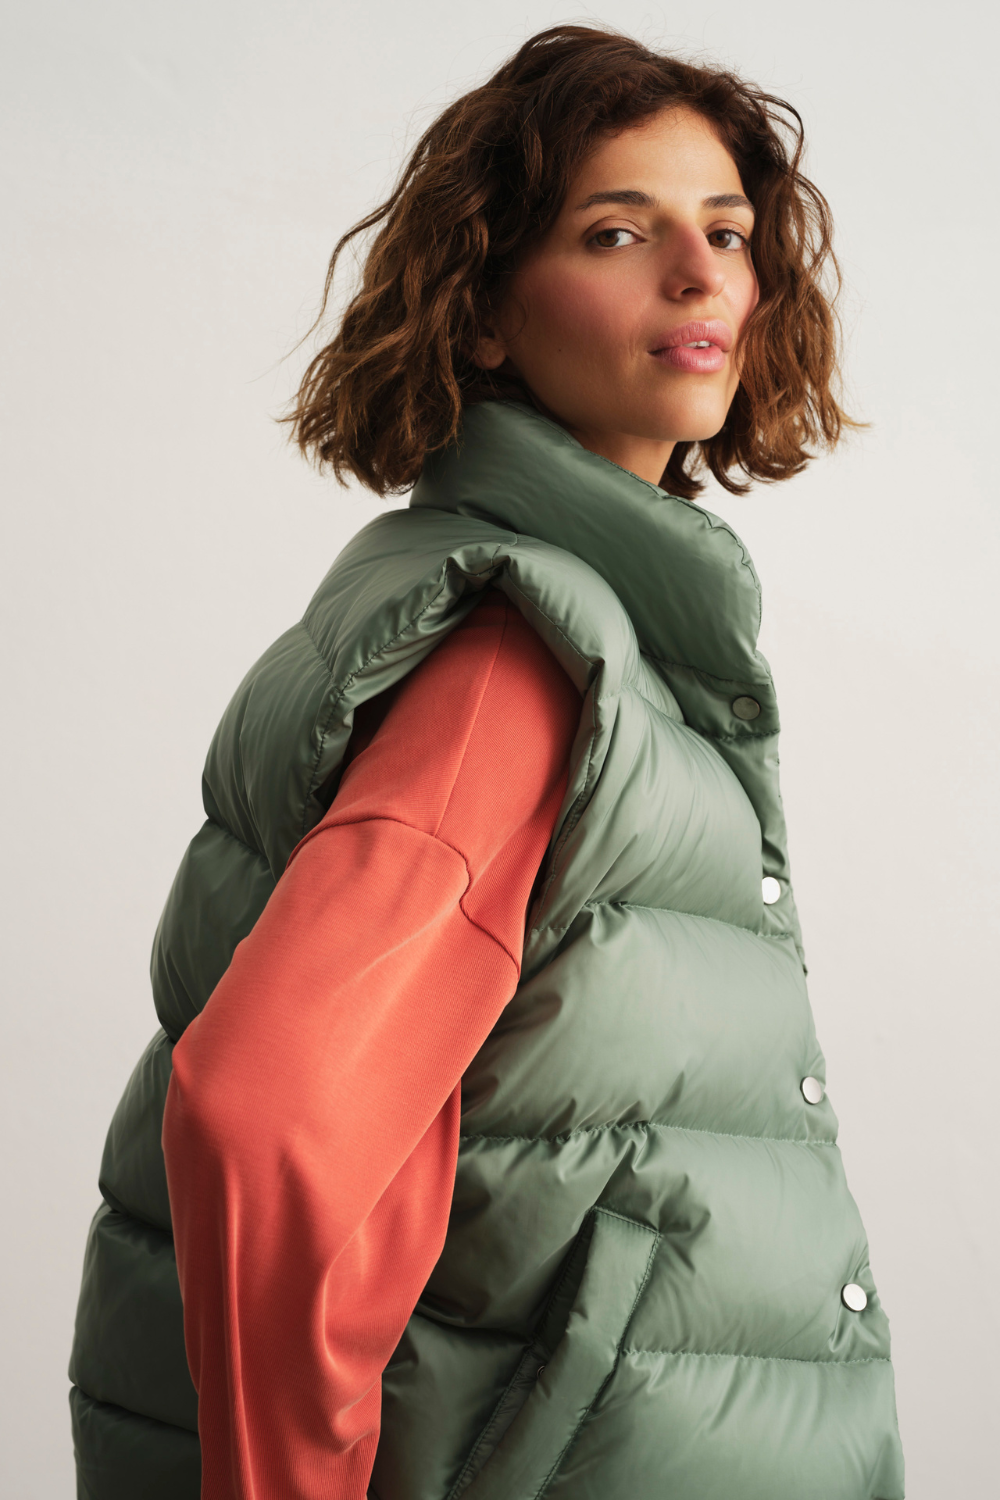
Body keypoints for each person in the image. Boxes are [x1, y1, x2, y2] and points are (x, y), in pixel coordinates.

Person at [68, 24, 905, 1500]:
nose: (701, 274)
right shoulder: (519, 660)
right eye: (616, 233)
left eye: (725, 232)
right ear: (486, 311)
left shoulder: (572, 624)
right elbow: (269, 1116)